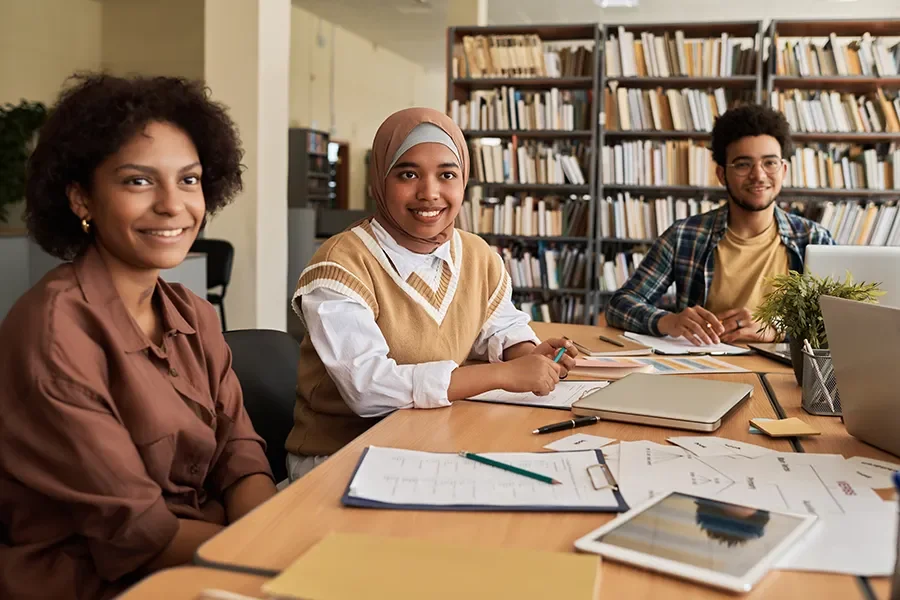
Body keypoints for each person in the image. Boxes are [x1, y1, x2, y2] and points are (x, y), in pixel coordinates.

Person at [0, 74, 277, 600]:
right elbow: (140, 534)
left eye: (189, 180)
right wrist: (271, 556)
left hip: (214, 557)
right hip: (99, 583)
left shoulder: (194, 313)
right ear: (81, 198)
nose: (174, 205)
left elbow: (239, 454)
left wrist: (277, 540)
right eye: (138, 181)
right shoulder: (54, 334)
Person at [285, 107, 576, 480]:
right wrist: (504, 375)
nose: (429, 193)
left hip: (436, 439)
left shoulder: (476, 254)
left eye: (447, 175)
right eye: (408, 174)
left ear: (463, 182)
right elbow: (368, 388)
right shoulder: (341, 264)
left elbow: (499, 325)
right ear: (379, 179)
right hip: (341, 458)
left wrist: (528, 355)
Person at [605, 104, 834, 345]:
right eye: (743, 164)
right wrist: (668, 321)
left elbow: (840, 322)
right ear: (722, 174)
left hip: (786, 376)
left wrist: (777, 328)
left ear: (784, 169)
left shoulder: (814, 240)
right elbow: (619, 305)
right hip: (705, 368)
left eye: (770, 162)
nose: (758, 175)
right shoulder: (684, 236)